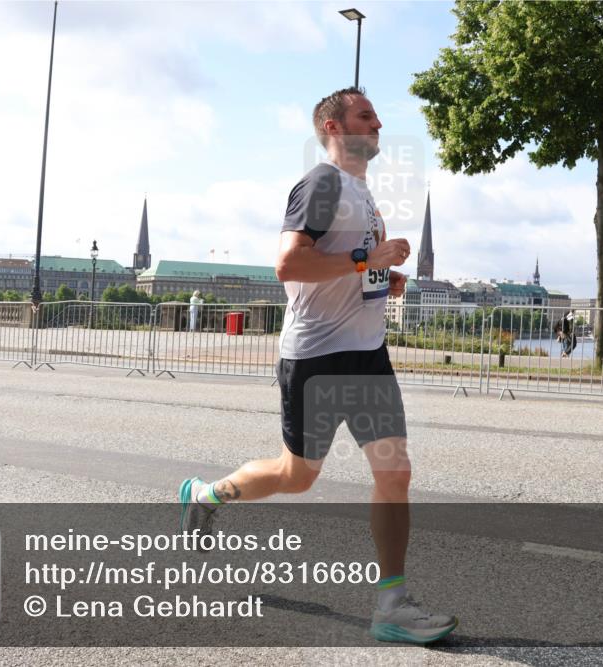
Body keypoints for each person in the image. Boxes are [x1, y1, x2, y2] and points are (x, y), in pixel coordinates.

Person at [179, 87, 457, 644]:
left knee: (395, 474)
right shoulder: (321, 184)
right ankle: (206, 496)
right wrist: (365, 258)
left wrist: (383, 277)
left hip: (367, 355)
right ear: (332, 127)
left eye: (376, 115)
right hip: (317, 359)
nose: (378, 123)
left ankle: (391, 606)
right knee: (297, 477)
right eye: (365, 115)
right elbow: (289, 264)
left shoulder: (363, 193)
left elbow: (352, 269)